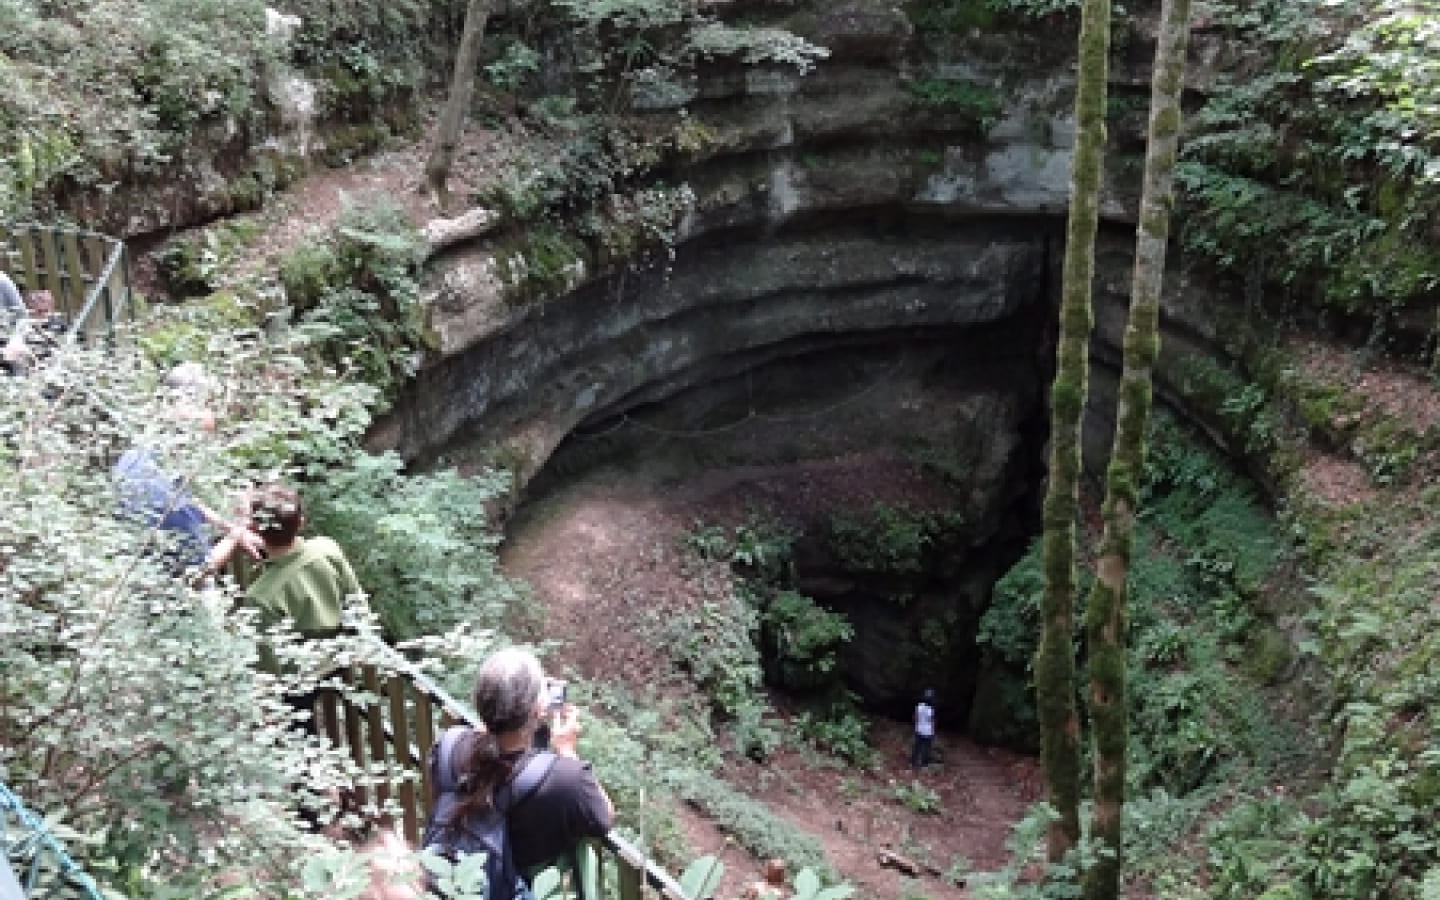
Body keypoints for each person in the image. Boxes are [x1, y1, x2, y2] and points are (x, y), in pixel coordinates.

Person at [431, 647, 613, 887]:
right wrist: (566, 749)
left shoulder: (449, 745)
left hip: (450, 882)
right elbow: (604, 817)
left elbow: (487, 756)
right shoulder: (566, 780)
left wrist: (497, 721)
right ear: (538, 709)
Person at [911, 688, 936, 770]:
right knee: (926, 748)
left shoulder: (919, 706)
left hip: (919, 729)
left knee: (916, 747)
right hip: (928, 732)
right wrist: (933, 732)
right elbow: (932, 722)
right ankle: (924, 764)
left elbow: (915, 717)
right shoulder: (931, 710)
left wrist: (915, 725)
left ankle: (913, 762)